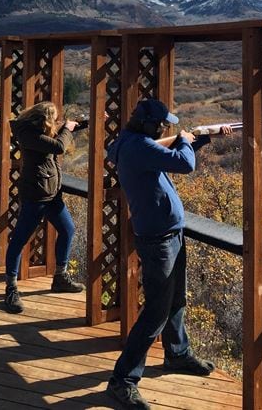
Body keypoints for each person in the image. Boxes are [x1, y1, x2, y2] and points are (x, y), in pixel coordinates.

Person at [105, 98, 232, 410]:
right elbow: (184, 163)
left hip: (167, 232)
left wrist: (202, 136)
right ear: (150, 125)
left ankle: (177, 353)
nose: (165, 128)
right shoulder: (140, 147)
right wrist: (188, 141)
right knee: (156, 312)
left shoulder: (131, 143)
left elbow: (171, 154)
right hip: (159, 238)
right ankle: (122, 380)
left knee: (175, 300)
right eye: (162, 124)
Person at [4, 101, 85, 315]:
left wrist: (81, 124)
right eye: (54, 118)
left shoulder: (37, 130)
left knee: (68, 230)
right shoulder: (29, 134)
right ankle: (11, 287)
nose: (56, 122)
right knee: (19, 239)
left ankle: (60, 276)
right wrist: (67, 128)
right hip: (37, 194)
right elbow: (58, 146)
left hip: (51, 193)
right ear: (45, 120)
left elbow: (60, 133)